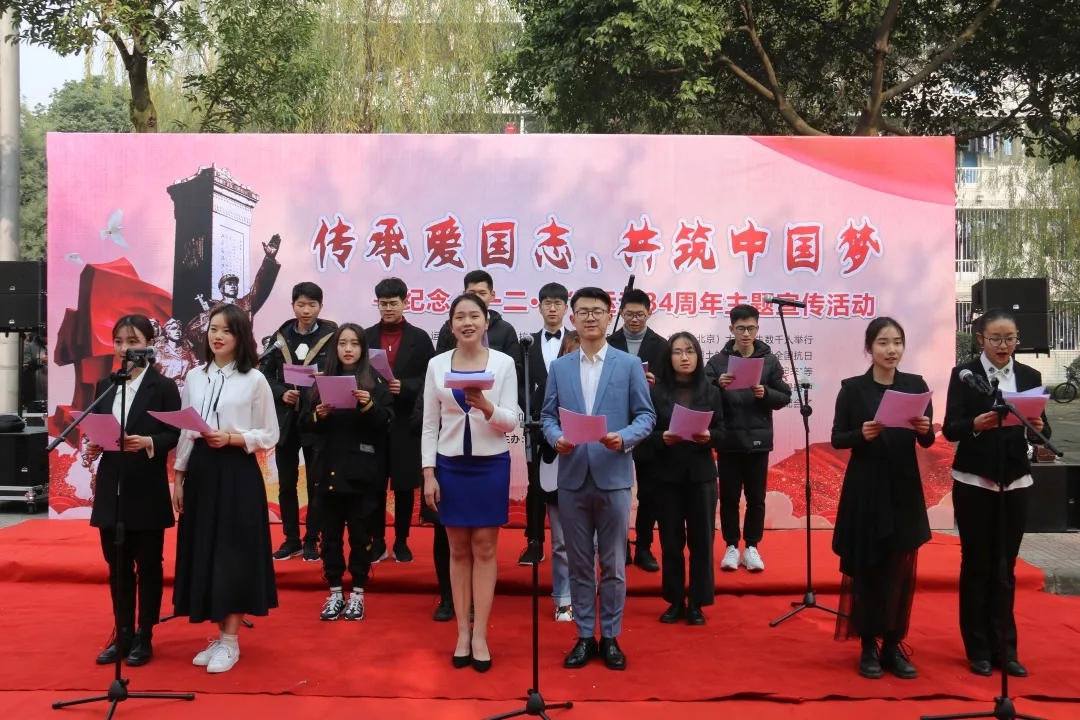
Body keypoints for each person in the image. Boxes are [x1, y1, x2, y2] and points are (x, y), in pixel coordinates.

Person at [541, 286, 656, 671]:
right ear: (572, 318)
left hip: (614, 476)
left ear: (610, 317)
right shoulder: (560, 368)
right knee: (578, 564)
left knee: (613, 565)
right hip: (573, 477)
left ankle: (610, 636)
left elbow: (646, 416)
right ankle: (584, 636)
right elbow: (547, 416)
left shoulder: (628, 365)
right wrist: (556, 437)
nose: (590, 317)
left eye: (598, 311)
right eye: (583, 312)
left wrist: (625, 437)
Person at [171, 304, 280, 674]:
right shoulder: (194, 376)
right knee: (206, 549)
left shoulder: (254, 379)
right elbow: (187, 430)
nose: (217, 336)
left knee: (233, 552)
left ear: (240, 337)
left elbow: (270, 433)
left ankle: (231, 641)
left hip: (236, 472)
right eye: (213, 329)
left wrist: (233, 438)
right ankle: (219, 636)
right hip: (201, 469)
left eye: (226, 331)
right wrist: (179, 477)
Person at [943, 308, 1049, 679]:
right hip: (975, 481)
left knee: (1006, 567)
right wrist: (976, 424)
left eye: (1010, 339)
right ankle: (978, 649)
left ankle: (1006, 649)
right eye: (996, 339)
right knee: (977, 566)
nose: (1004, 346)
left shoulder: (1030, 376)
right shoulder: (965, 374)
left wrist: (1037, 427)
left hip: (1015, 482)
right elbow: (950, 429)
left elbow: (1043, 432)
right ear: (981, 339)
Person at [830, 317, 935, 680]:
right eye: (883, 343)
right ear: (869, 348)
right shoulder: (853, 389)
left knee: (898, 569)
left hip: (903, 487)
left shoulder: (915, 386)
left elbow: (927, 440)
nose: (892, 350)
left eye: (897, 342)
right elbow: (838, 438)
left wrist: (925, 429)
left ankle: (892, 644)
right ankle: (867, 645)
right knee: (868, 566)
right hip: (866, 487)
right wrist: (861, 434)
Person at [422, 293, 520, 673]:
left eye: (474, 316)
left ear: (486, 322)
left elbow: (512, 421)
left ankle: (481, 636)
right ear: (451, 325)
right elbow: (430, 424)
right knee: (458, 549)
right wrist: (429, 473)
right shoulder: (436, 365)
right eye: (460, 317)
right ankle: (462, 633)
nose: (467, 322)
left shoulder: (504, 363)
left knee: (485, 547)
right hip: (449, 465)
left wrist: (488, 407)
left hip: (490, 464)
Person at [88, 315, 182, 667]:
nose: (124, 348)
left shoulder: (163, 386)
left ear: (149, 345)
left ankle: (145, 633)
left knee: (149, 565)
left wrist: (147, 441)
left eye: (132, 341)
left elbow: (175, 433)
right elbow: (100, 427)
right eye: (119, 341)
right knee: (117, 566)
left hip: (146, 485)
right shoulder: (106, 384)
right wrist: (94, 445)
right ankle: (123, 631)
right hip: (111, 484)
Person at [301, 323, 394, 621]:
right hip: (328, 471)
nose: (348, 349)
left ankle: (358, 594)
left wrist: (368, 406)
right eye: (343, 343)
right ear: (335, 348)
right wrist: (318, 415)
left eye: (354, 343)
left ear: (363, 348)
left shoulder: (375, 380)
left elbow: (387, 422)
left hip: (361, 474)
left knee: (359, 536)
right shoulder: (322, 380)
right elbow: (305, 423)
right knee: (330, 537)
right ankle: (334, 592)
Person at [641, 332, 724, 626]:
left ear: (698, 355)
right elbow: (643, 434)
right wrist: (662, 437)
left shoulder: (711, 392)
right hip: (667, 477)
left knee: (702, 542)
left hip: (701, 477)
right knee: (671, 542)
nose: (684, 357)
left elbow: (725, 432)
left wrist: (710, 436)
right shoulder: (656, 393)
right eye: (677, 352)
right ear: (669, 358)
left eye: (690, 351)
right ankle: (675, 601)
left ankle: (697, 603)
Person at [704, 304, 792, 573]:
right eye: (740, 328)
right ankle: (731, 546)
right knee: (729, 498)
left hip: (758, 442)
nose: (745, 334)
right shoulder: (717, 362)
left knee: (756, 498)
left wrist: (766, 393)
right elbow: (702, 396)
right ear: (731, 329)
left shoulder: (770, 361)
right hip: (728, 440)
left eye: (750, 328)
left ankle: (752, 546)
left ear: (757, 328)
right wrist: (717, 385)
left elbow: (785, 396)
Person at [262, 282, 338, 562]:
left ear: (321, 306)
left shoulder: (332, 336)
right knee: (286, 483)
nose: (306, 310)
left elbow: (343, 371)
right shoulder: (280, 338)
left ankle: (312, 540)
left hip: (317, 419)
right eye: (301, 304)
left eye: (312, 305)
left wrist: (322, 383)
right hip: (286, 420)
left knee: (317, 483)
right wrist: (282, 392)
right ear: (293, 305)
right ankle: (291, 539)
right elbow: (263, 375)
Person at [365, 277, 436, 566]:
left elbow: (430, 377)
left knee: (405, 486)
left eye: (394, 303)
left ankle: (402, 540)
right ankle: (377, 541)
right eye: (383, 304)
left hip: (407, 422)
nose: (388, 308)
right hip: (373, 420)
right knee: (374, 485)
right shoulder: (366, 336)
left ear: (405, 302)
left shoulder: (420, 338)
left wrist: (405, 386)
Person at [607, 288, 666, 572]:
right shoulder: (609, 343)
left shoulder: (662, 345)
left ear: (649, 313)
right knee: (614, 492)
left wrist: (656, 384)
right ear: (620, 314)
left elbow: (672, 387)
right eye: (629, 314)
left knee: (649, 493)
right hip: (614, 426)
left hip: (647, 427)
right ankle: (618, 547)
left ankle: (643, 546)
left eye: (639, 314)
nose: (634, 319)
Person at [519, 282, 570, 567]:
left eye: (557, 303)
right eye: (547, 303)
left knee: (572, 483)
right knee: (535, 484)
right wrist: (531, 408)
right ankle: (535, 541)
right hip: (536, 425)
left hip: (570, 425)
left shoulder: (576, 340)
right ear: (539, 308)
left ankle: (574, 542)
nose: (552, 308)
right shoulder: (526, 343)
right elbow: (518, 382)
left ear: (566, 308)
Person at [435, 269, 524, 407]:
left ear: (492, 295)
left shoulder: (505, 330)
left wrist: (488, 385)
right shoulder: (449, 329)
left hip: (495, 402)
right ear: (464, 294)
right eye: (472, 293)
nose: (477, 298)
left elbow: (515, 370)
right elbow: (438, 370)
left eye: (482, 293)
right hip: (453, 400)